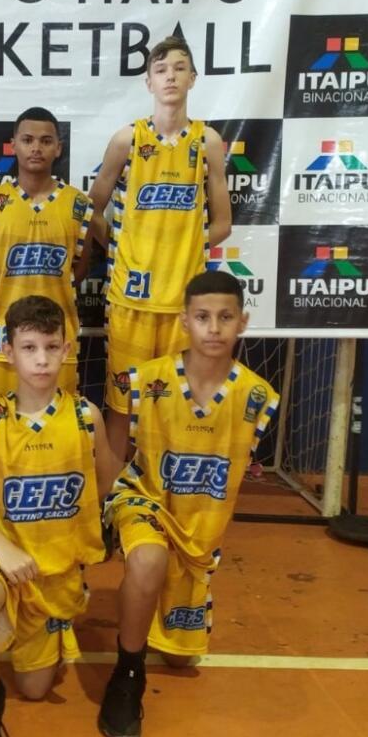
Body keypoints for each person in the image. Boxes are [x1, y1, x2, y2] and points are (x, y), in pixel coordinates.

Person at [97, 270, 279, 737]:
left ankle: (160, 619)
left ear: (243, 322)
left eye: (225, 317)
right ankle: (127, 674)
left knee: (181, 659)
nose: (213, 328)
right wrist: (103, 510)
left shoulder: (257, 396)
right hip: (143, 500)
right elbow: (113, 451)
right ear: (184, 321)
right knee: (148, 559)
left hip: (199, 529)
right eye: (202, 317)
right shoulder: (145, 380)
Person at [0, 295, 119, 737]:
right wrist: (3, 550)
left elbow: (105, 482)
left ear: (67, 349)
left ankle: (33, 623)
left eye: (50, 347)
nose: (41, 359)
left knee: (36, 689)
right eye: (29, 348)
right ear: (9, 351)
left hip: (51, 569)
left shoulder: (86, 416)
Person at [86, 36, 233, 460]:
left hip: (182, 306)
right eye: (161, 69)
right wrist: (119, 246)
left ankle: (163, 491)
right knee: (121, 407)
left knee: (173, 407)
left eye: (179, 68)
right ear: (148, 82)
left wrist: (187, 248)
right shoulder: (127, 140)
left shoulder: (207, 142)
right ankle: (115, 494)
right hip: (130, 300)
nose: (171, 76)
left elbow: (222, 224)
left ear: (193, 78)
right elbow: (91, 210)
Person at [0, 107, 94, 406]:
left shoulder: (79, 205)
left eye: (45, 140)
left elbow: (78, 270)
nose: (36, 148)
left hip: (57, 346)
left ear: (58, 148)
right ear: (13, 145)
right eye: (27, 140)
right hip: (1, 345)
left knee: (58, 428)